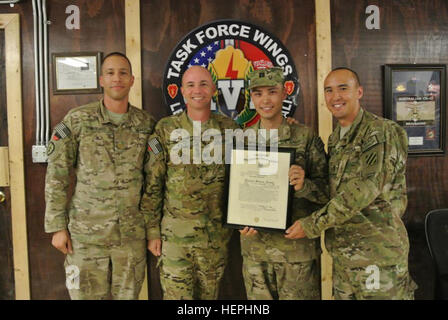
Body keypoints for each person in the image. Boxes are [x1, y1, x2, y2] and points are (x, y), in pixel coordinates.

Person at [288, 67, 417, 299]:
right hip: (345, 256)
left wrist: (311, 225)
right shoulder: (337, 138)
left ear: (359, 92)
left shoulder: (379, 132)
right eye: (329, 90)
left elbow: (365, 190)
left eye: (343, 88)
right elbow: (335, 192)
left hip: (376, 255)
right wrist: (304, 186)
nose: (335, 96)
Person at [44, 52, 156, 300]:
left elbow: (154, 182)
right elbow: (57, 173)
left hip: (130, 237)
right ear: (101, 79)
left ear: (132, 80)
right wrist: (57, 227)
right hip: (85, 237)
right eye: (110, 73)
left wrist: (152, 230)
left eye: (123, 73)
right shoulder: (78, 120)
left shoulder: (146, 124)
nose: (117, 78)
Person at [142, 66, 239, 299]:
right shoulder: (165, 129)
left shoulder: (229, 129)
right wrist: (152, 230)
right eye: (191, 85)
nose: (198, 90)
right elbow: (153, 183)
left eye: (204, 84)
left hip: (214, 239)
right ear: (182, 92)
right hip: (175, 239)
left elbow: (244, 177)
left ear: (214, 90)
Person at [238, 67, 328, 300]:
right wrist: (238, 219)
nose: (265, 100)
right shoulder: (242, 140)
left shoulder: (305, 137)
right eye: (258, 93)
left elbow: (329, 193)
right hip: (255, 252)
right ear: (251, 98)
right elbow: (234, 191)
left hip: (296, 254)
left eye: (272, 92)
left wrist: (304, 185)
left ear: (284, 93)